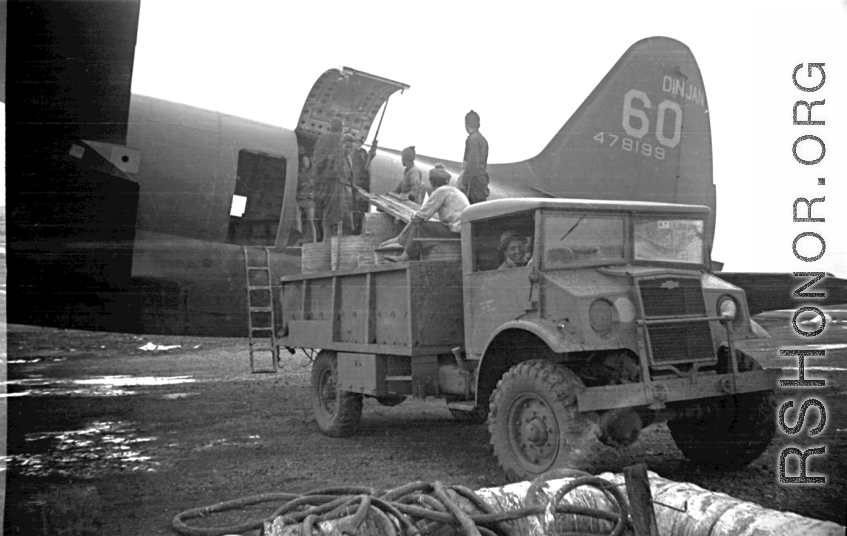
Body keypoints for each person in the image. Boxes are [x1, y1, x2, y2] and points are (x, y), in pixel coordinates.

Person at [386, 163, 469, 262]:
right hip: (463, 230)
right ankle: (407, 252)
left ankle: (405, 256)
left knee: (419, 224)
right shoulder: (455, 191)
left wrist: (402, 235)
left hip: (455, 231)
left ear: (431, 182)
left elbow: (422, 215)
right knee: (423, 224)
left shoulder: (440, 191)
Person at [312, 118, 353, 241]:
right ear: (341, 129)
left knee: (332, 219)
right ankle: (330, 245)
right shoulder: (336, 142)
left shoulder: (323, 140)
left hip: (328, 184)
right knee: (333, 219)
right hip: (335, 185)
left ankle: (329, 243)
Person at [457, 110, 490, 204]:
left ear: (466, 124)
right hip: (481, 179)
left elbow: (472, 163)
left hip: (473, 181)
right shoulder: (483, 140)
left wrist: (464, 183)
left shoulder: (473, 139)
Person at [350, 138, 374, 234]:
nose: (356, 145)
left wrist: (374, 147)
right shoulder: (352, 153)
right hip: (354, 183)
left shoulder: (363, 153)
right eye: (355, 143)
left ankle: (357, 228)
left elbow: (369, 159)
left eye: (358, 143)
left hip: (360, 184)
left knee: (358, 207)